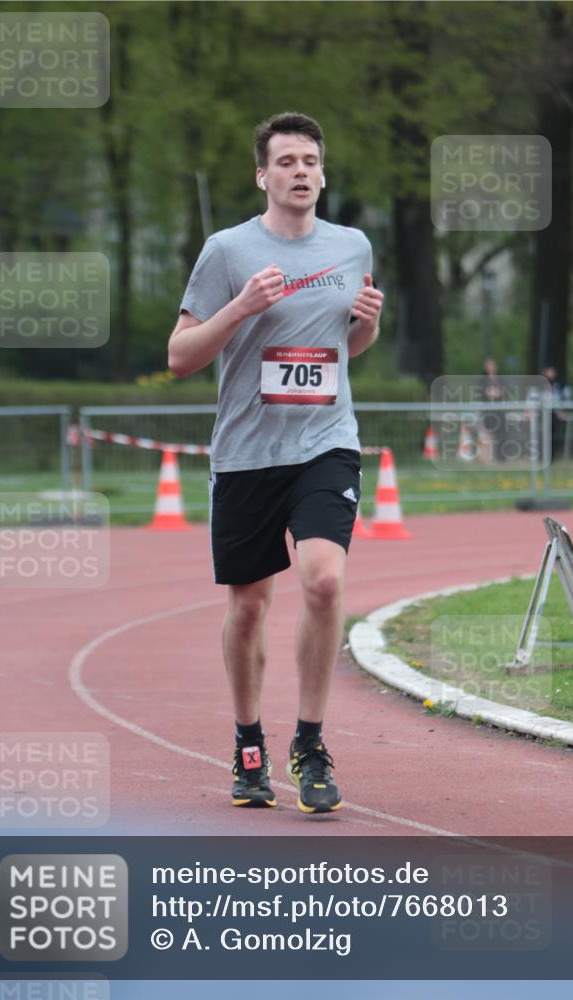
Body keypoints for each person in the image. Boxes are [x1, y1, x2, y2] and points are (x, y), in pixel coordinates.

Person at [168, 112, 383, 814]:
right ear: (262, 175)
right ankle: (248, 742)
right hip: (246, 454)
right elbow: (180, 357)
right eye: (285, 160)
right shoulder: (227, 250)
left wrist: (367, 327)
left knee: (323, 583)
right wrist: (240, 307)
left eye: (309, 160)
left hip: (325, 442)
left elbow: (339, 351)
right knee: (249, 604)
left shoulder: (352, 247)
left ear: (322, 174)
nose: (299, 171)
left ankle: (311, 742)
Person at [477, 358, 506, 461]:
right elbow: (485, 393)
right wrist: (493, 393)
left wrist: (495, 393)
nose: (491, 368)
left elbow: (503, 392)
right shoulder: (482, 380)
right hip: (488, 411)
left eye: (492, 366)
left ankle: (500, 457)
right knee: (488, 434)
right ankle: (487, 457)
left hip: (499, 410)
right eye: (489, 366)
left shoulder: (501, 379)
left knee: (501, 433)